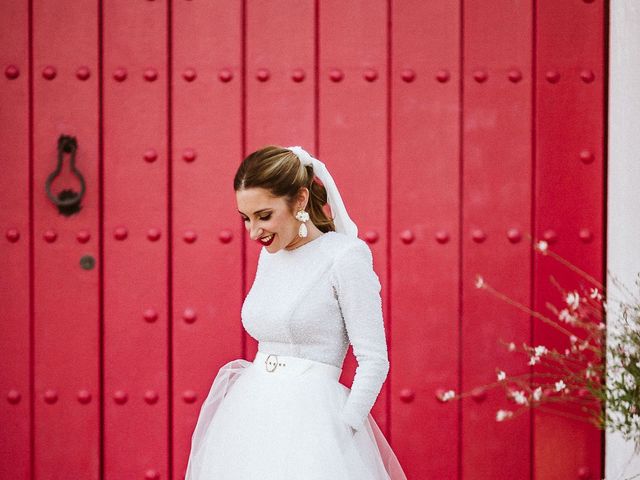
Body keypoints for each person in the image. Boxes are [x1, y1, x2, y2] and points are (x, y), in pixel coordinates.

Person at [185, 145, 407, 479]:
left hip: (315, 425)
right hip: (251, 414)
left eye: (264, 216)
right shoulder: (270, 256)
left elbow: (374, 359)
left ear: (299, 200)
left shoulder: (345, 257)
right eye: (245, 218)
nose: (253, 231)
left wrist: (343, 429)